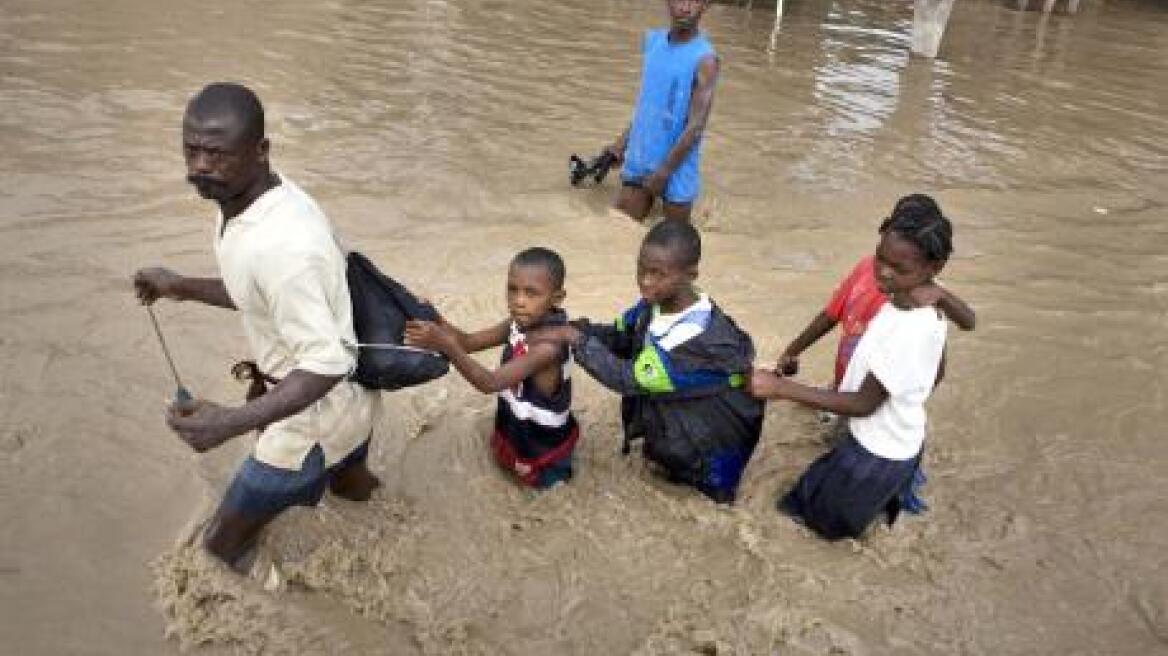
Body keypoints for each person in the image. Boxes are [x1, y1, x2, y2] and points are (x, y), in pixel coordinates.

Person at [132, 82, 380, 572]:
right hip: (356, 398)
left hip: (311, 417)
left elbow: (325, 363)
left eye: (217, 154)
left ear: (260, 150)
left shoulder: (283, 245)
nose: (200, 166)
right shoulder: (258, 200)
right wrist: (178, 286)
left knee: (215, 555)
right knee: (356, 494)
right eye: (192, 150)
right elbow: (260, 293)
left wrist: (229, 423)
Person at [746, 198, 956, 540]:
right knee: (795, 506)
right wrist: (905, 402)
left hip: (876, 454)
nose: (883, 273)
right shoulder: (904, 301)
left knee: (818, 534)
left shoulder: (914, 327)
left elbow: (863, 404)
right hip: (881, 442)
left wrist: (780, 389)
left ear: (934, 268)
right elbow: (937, 371)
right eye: (880, 259)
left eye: (899, 269)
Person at [534, 220, 763, 504]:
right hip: (681, 424)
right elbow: (621, 334)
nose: (645, 280)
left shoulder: (695, 339)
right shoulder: (654, 304)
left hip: (711, 449)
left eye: (657, 274)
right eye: (641, 269)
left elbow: (626, 379)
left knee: (705, 507)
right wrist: (580, 329)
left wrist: (574, 339)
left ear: (690, 274)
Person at [403, 248, 578, 489]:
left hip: (542, 446)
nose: (518, 301)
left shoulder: (548, 347)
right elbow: (469, 342)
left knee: (538, 495)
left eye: (532, 293)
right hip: (519, 428)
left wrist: (444, 343)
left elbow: (489, 383)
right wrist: (438, 321)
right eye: (512, 289)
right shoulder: (517, 323)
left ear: (557, 298)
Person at [605, 0, 719, 222]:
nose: (685, 8)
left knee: (674, 246)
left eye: (694, 1)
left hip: (677, 168)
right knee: (618, 231)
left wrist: (664, 172)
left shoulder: (706, 59)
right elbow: (650, 106)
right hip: (642, 157)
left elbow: (695, 126)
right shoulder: (652, 42)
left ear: (706, 5)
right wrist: (620, 144)